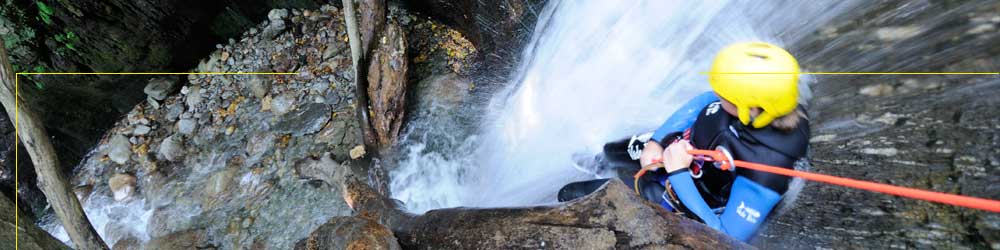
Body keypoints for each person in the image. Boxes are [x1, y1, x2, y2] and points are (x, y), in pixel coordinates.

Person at [558, 42, 810, 242]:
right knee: (614, 150)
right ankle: (603, 162)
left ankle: (620, 183)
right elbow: (704, 100)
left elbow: (725, 238)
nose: (718, 95)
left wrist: (678, 172)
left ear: (749, 108)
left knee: (571, 194)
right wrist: (657, 142)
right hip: (679, 149)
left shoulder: (764, 176)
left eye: (724, 95)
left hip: (686, 193)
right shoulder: (764, 102)